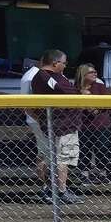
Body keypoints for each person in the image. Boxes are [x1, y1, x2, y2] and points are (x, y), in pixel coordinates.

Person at [29, 49, 82, 204]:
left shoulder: (43, 77)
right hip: (62, 126)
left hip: (57, 124)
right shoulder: (46, 76)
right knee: (62, 158)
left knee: (55, 157)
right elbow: (67, 92)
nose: (65, 66)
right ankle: (61, 191)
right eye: (64, 63)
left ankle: (55, 189)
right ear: (55, 63)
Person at [76, 63, 111, 183]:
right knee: (84, 149)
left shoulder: (100, 86)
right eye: (91, 72)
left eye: (95, 72)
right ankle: (84, 174)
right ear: (83, 74)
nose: (95, 74)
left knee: (102, 149)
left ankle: (102, 174)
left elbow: (107, 104)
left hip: (101, 124)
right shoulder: (75, 88)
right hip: (83, 125)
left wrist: (91, 104)